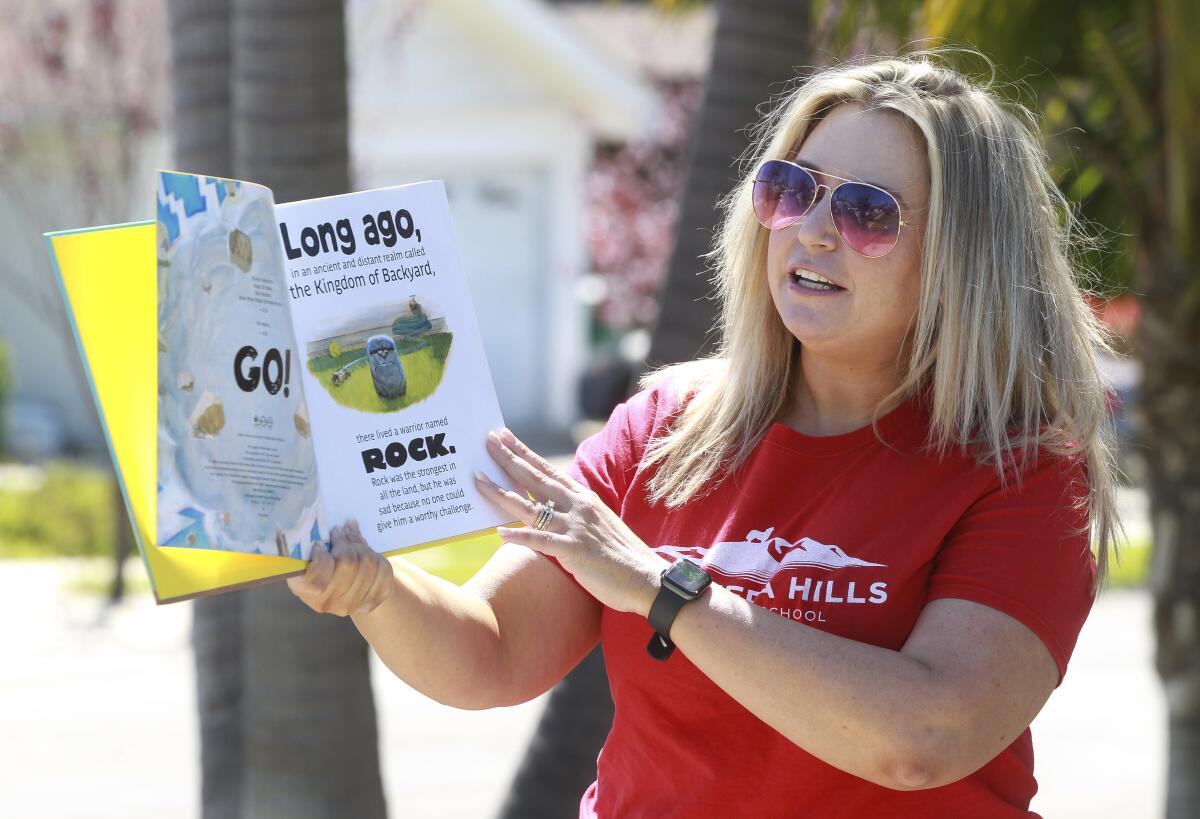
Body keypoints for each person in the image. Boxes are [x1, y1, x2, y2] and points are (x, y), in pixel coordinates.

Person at [288, 54, 1121, 817]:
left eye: (869, 211)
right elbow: (493, 652)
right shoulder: (667, 427)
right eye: (793, 188)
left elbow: (922, 739)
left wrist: (661, 587)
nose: (814, 229)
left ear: (959, 256)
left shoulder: (1024, 471)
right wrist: (376, 590)